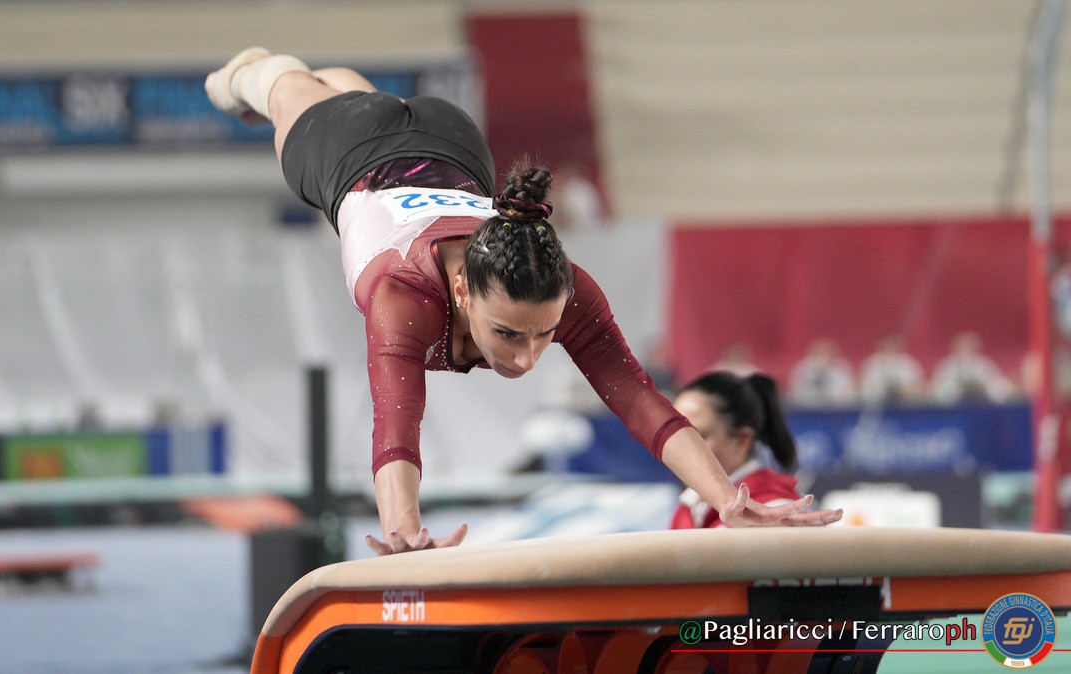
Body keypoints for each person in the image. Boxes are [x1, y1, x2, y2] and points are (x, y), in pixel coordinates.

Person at [203, 48, 842, 555]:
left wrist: (728, 501)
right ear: (461, 290)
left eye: (545, 334)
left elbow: (638, 398)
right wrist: (404, 530)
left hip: (452, 142)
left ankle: (347, 90)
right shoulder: (404, 298)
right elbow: (396, 423)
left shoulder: (562, 282)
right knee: (268, 84)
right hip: (345, 151)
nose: (528, 357)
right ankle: (259, 71)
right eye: (509, 333)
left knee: (357, 94)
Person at [670, 372, 801, 529]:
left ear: (742, 440)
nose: (681, 448)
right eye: (675, 436)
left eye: (698, 437)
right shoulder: (688, 508)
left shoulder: (776, 512)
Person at [931, 332, 1014, 404]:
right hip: (953, 404)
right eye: (962, 347)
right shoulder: (947, 364)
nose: (965, 350)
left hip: (983, 401)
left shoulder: (984, 363)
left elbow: (998, 380)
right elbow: (937, 384)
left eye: (969, 347)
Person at [788, 337, 857, 407]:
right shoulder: (803, 368)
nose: (826, 355)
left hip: (838, 409)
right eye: (822, 352)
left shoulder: (843, 367)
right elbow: (796, 391)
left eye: (829, 352)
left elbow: (849, 393)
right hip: (807, 408)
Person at [859, 334, 926, 404]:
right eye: (886, 346)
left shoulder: (909, 363)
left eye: (892, 346)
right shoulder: (871, 364)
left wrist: (901, 391)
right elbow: (862, 388)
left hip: (905, 405)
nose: (890, 348)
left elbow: (919, 387)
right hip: (876, 404)